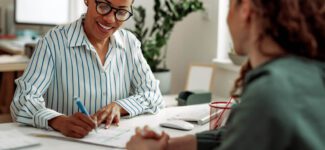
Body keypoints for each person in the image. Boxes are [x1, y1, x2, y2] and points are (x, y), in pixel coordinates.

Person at [126, 0, 325, 149]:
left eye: (230, 6)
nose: (227, 17)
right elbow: (240, 132)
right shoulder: (309, 72)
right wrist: (170, 146)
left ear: (245, 9)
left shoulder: (270, 93)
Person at [10, 0, 163, 138]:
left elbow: (152, 94)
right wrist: (58, 121)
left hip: (114, 142)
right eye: (103, 6)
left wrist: (120, 107)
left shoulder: (129, 43)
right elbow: (22, 101)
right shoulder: (52, 42)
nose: (110, 19)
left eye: (121, 12)